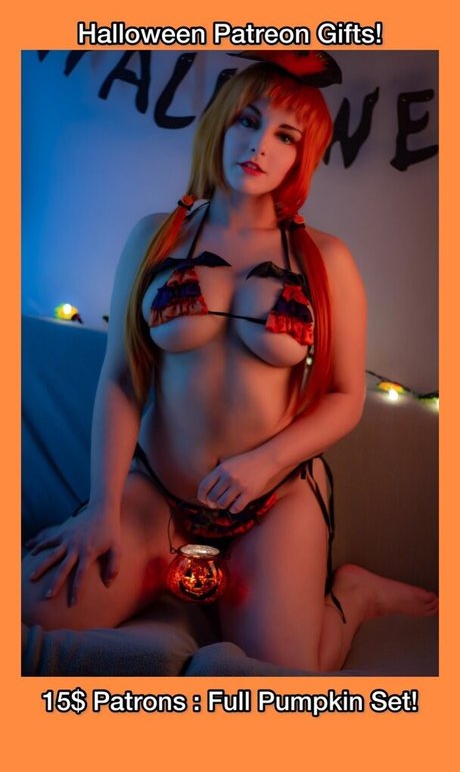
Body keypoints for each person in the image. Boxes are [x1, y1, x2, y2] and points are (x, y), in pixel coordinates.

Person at [22, 51, 438, 672]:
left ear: (303, 154)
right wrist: (102, 507)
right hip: (157, 493)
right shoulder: (155, 237)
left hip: (274, 501)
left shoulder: (326, 259)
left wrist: (264, 462)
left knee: (288, 672)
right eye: (248, 120)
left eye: (285, 135)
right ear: (220, 121)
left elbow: (346, 396)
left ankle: (353, 595)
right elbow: (122, 378)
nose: (260, 145)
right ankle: (157, 578)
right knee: (32, 608)